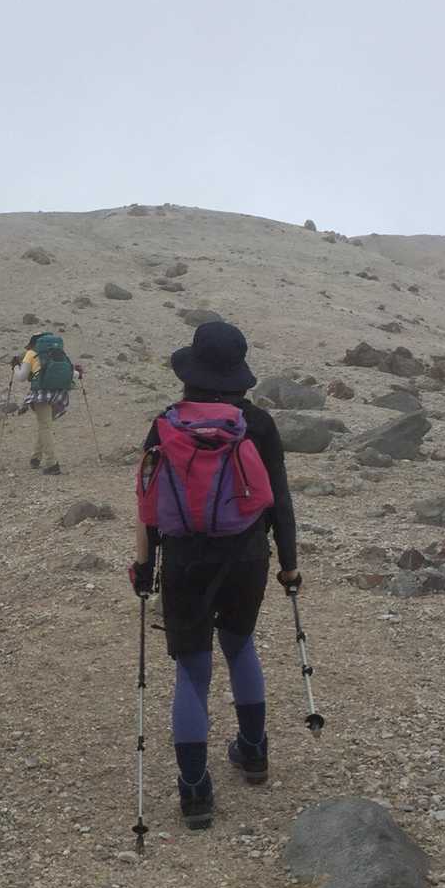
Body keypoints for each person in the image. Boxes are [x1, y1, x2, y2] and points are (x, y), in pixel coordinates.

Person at [129, 321, 299, 831]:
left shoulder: (166, 425)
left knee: (192, 670)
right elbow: (280, 500)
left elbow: (147, 505)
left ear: (192, 371)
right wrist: (289, 562)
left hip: (186, 560)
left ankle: (195, 792)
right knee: (240, 646)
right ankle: (253, 752)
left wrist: (145, 568)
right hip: (247, 556)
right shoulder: (258, 424)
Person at [11, 332, 82, 475]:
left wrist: (15, 367)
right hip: (59, 394)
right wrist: (79, 373)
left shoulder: (31, 354)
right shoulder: (57, 352)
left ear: (32, 344)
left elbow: (21, 377)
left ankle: (52, 463)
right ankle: (36, 458)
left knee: (44, 426)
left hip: (41, 394)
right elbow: (72, 373)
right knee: (46, 425)